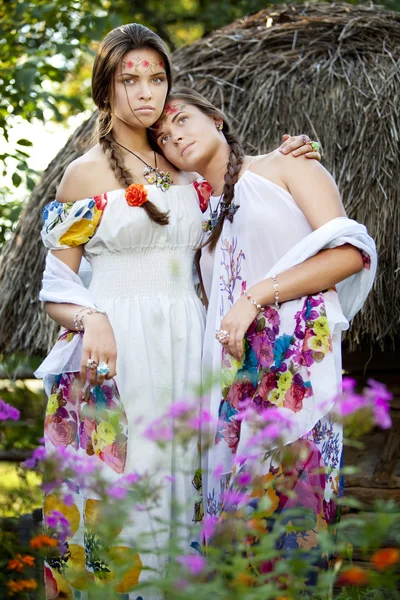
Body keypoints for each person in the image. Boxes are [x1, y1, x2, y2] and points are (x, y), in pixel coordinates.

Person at [35, 24, 319, 599]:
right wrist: (92, 320)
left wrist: (286, 156)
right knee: (123, 492)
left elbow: (248, 188)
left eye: (157, 78)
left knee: (191, 485)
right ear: (105, 89)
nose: (145, 92)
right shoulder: (83, 174)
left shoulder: (187, 168)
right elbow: (54, 286)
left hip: (193, 340)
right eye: (129, 79)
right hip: (115, 349)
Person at [154, 88, 377, 576]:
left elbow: (349, 254)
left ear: (215, 118)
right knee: (240, 553)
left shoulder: (286, 166)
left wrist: (255, 295)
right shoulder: (200, 219)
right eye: (165, 138)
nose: (175, 136)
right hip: (236, 394)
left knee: (296, 536)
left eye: (182, 120)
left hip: (296, 378)